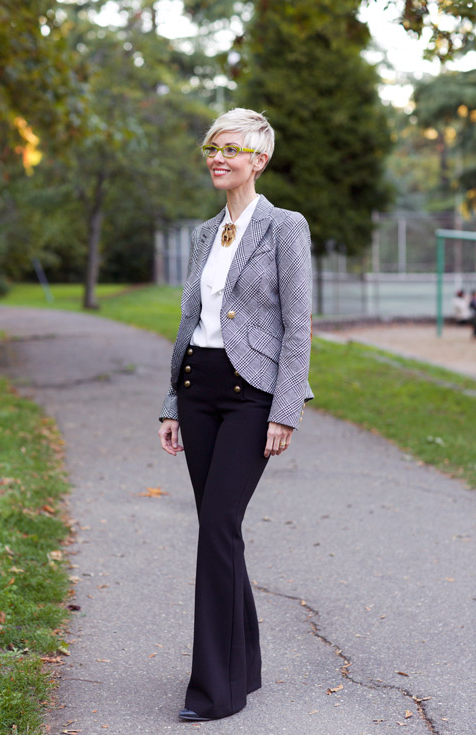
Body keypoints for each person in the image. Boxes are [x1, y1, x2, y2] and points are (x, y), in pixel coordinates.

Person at [158, 108, 313, 722]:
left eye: (230, 149)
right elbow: (188, 320)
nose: (217, 158)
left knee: (218, 526)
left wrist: (285, 409)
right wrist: (172, 402)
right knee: (219, 529)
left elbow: (297, 326)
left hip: (252, 396)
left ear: (259, 160)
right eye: (211, 148)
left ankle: (215, 691)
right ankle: (242, 665)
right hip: (198, 387)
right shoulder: (204, 234)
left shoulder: (285, 227)